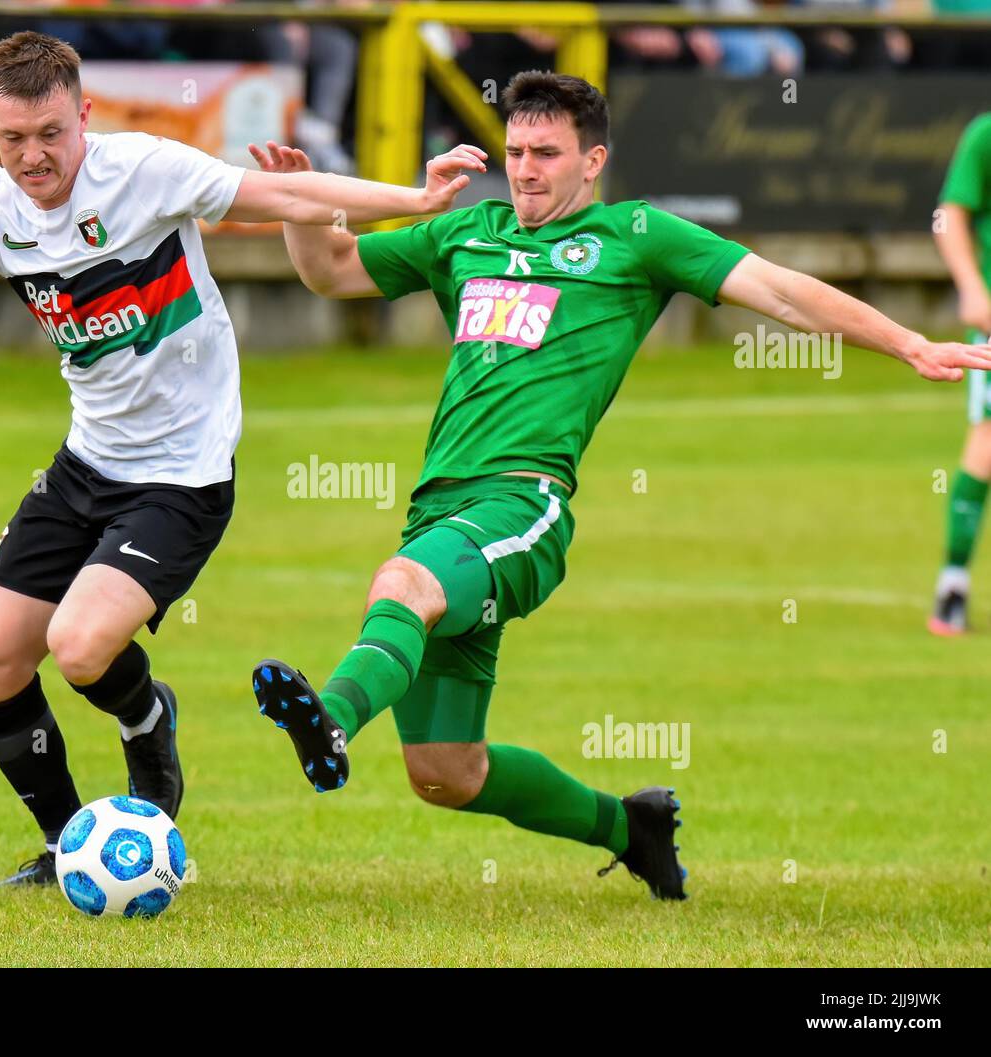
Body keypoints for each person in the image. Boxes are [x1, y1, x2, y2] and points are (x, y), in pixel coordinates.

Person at [249, 71, 991, 901]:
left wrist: (911, 344)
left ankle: (332, 722)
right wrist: (298, 203)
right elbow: (332, 270)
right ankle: (630, 826)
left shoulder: (636, 237)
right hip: (440, 511)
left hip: (522, 505)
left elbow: (783, 290)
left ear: (592, 160)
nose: (525, 170)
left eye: (547, 154)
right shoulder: (468, 234)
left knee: (401, 585)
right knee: (444, 772)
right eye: (516, 151)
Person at [0, 30, 485, 886]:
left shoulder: (143, 170)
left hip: (182, 475)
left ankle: (150, 722)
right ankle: (64, 844)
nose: (33, 156)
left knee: (78, 649)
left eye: (50, 133)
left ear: (84, 114)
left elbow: (286, 193)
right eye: (12, 139)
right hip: (85, 464)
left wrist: (416, 194)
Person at [930, 113, 991, 635]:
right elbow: (950, 215)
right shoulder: (985, 134)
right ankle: (953, 583)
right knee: (987, 447)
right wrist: (972, 288)